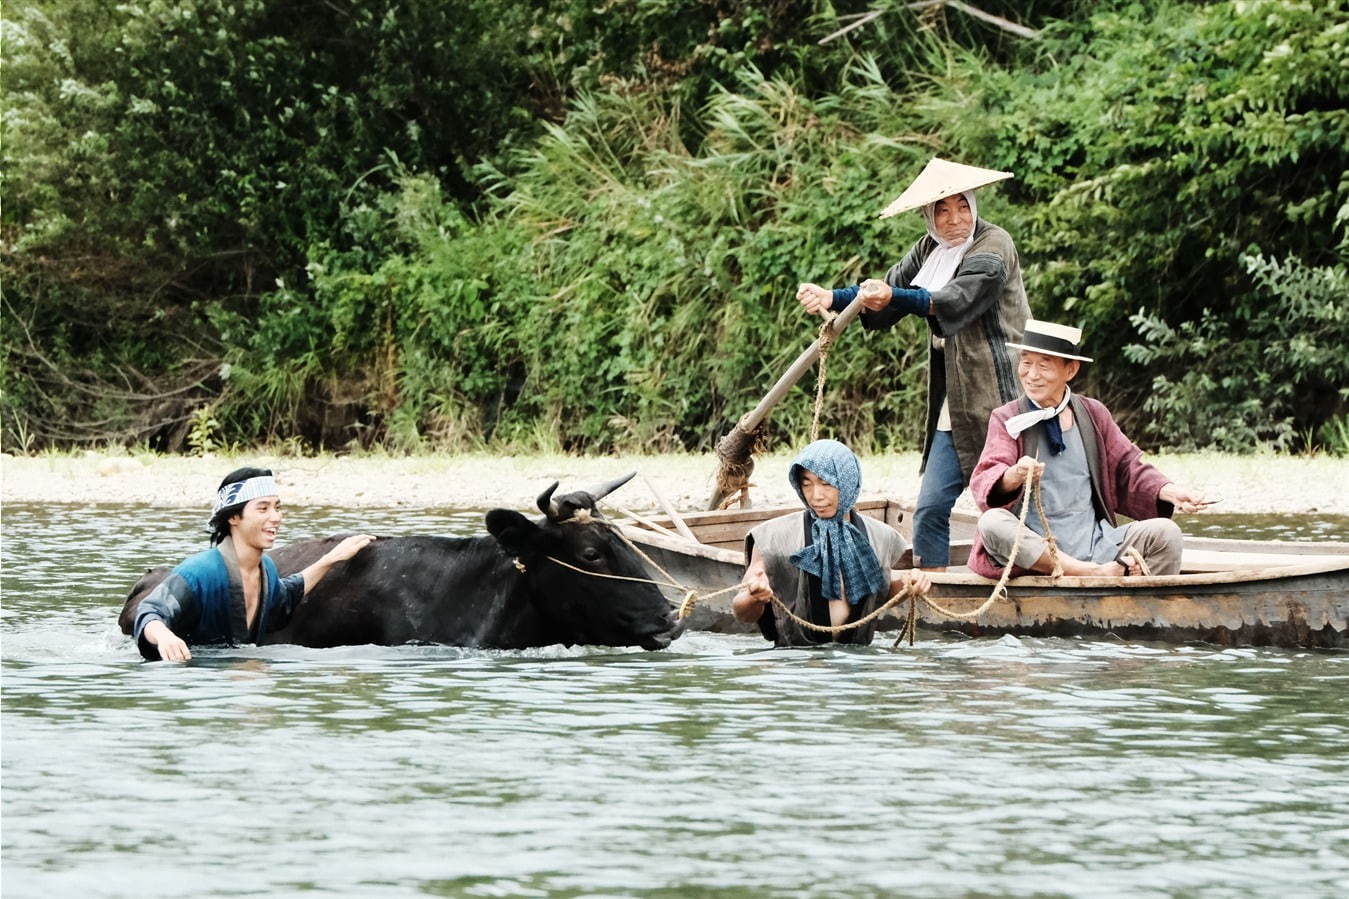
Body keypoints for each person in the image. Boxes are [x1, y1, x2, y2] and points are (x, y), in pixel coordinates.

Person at [796, 157, 1030, 572]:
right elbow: (883, 295)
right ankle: (932, 591)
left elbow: (955, 299)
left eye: (961, 206)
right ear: (928, 216)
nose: (954, 219)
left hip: (1001, 395)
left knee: (1007, 501)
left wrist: (894, 297)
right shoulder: (927, 250)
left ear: (973, 206)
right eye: (942, 209)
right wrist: (832, 297)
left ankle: (1023, 579)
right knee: (930, 507)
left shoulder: (995, 246)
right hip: (952, 400)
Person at [967, 320, 1207, 579]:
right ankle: (1092, 573)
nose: (1032, 374)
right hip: (1036, 553)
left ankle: (1143, 608)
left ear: (1070, 370)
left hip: (1096, 542)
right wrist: (1013, 476)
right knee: (991, 523)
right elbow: (988, 476)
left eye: (1044, 365)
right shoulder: (1008, 417)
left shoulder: (1093, 414)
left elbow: (1128, 466)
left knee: (1166, 533)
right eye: (1026, 363)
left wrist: (1170, 491)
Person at [132, 467, 375, 661]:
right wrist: (164, 637)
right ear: (233, 517)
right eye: (263, 508)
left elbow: (287, 595)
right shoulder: (200, 571)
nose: (276, 517)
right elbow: (150, 612)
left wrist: (330, 559)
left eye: (277, 508)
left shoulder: (266, 569)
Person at [732, 439, 931, 646]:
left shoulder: (881, 538)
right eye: (806, 483)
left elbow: (879, 593)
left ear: (847, 482)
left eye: (826, 483)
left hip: (857, 662)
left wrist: (908, 586)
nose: (816, 496)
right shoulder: (772, 538)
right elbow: (742, 612)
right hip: (795, 663)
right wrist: (755, 596)